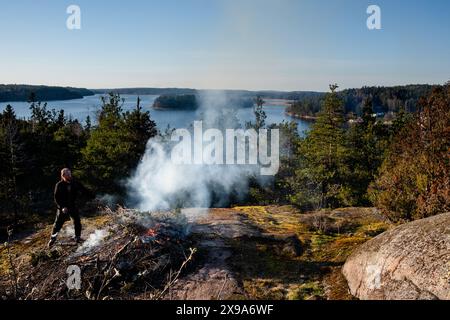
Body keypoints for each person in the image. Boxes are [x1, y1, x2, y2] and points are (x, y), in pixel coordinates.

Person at [48, 168, 94, 247]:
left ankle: (77, 237)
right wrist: (62, 207)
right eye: (68, 174)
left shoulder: (75, 183)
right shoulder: (59, 185)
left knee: (77, 221)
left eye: (70, 174)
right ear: (63, 176)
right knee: (58, 224)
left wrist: (93, 196)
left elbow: (84, 190)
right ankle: (52, 239)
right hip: (62, 207)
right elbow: (56, 198)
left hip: (72, 205)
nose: (70, 175)